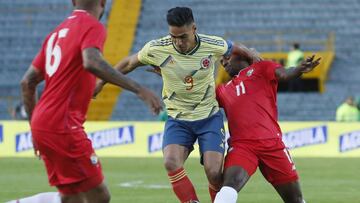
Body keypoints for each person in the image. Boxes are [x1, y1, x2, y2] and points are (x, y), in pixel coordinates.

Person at [94, 6, 259, 203]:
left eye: (183, 36)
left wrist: (255, 59)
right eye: (174, 36)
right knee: (171, 162)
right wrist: (101, 82)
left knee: (214, 172)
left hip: (209, 117)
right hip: (178, 119)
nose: (178, 42)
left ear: (194, 29)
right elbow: (129, 63)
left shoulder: (211, 44)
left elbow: (236, 48)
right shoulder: (157, 48)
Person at [20, 0, 162, 202]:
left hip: (43, 124)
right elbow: (91, 61)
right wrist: (139, 89)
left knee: (72, 198)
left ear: (73, 1)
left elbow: (27, 82)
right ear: (103, 2)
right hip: (64, 125)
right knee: (99, 197)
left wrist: (34, 128)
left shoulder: (56, 33)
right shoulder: (92, 25)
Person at [214, 54, 321, 203]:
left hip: (272, 145)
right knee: (228, 187)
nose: (223, 62)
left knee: (295, 199)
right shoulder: (222, 90)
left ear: (242, 57)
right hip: (242, 146)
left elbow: (284, 74)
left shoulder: (262, 68)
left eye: (227, 57)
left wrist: (298, 69)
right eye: (221, 61)